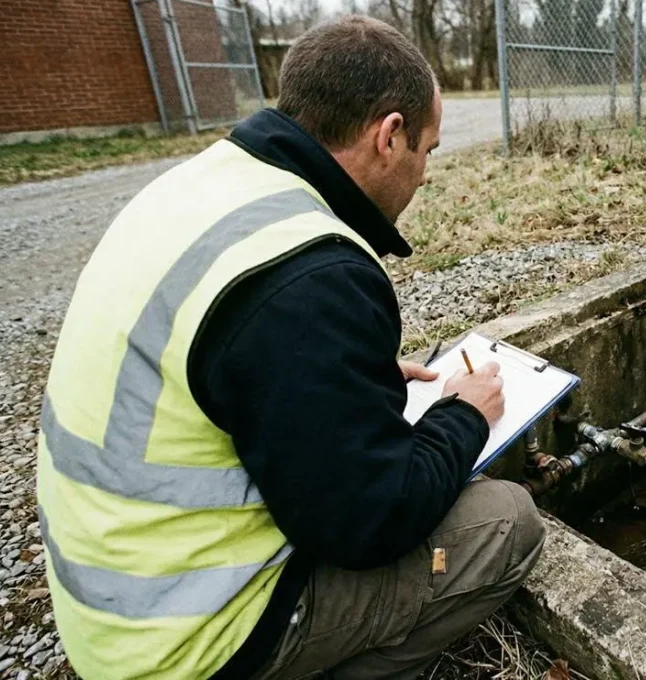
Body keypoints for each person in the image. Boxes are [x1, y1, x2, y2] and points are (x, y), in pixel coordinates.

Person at [35, 15, 545, 680]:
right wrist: (466, 416)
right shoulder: (314, 276)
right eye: (429, 150)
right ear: (389, 136)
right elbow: (370, 524)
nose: (424, 174)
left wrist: (348, 377)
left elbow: (232, 355)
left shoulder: (204, 186)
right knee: (508, 521)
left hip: (112, 599)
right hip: (189, 642)